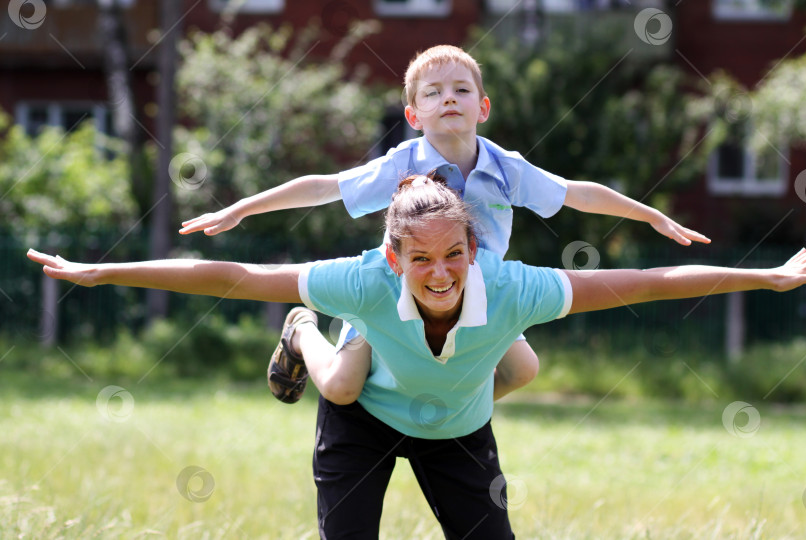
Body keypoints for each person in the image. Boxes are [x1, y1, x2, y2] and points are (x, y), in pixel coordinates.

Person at [27, 175, 806, 539]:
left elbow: (645, 282)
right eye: (421, 260)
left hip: (458, 432)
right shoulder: (365, 280)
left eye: (454, 256)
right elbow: (232, 275)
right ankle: (305, 330)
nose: (440, 273)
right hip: (364, 423)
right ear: (394, 259)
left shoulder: (513, 288)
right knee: (339, 391)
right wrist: (105, 270)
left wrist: (766, 277)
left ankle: (347, 348)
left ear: (475, 249)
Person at [178, 44, 710, 404]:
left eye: (459, 90)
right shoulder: (400, 165)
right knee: (341, 389)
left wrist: (651, 214)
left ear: (481, 107)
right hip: (397, 292)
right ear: (414, 115)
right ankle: (301, 331)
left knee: (523, 370)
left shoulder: (507, 168)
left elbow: (577, 194)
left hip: (478, 295)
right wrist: (240, 208)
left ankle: (435, 408)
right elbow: (323, 186)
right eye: (432, 93)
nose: (446, 98)